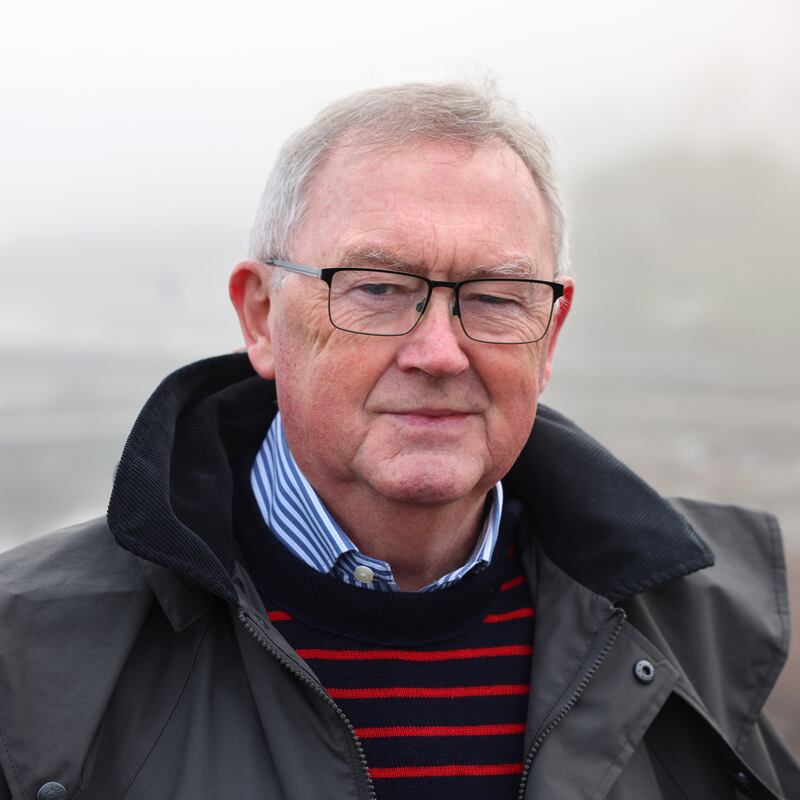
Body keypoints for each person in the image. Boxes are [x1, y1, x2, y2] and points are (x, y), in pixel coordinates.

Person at [0, 83, 797, 800]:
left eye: (495, 297)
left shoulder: (715, 633)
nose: (440, 352)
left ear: (549, 338)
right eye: (377, 289)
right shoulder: (33, 655)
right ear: (260, 317)